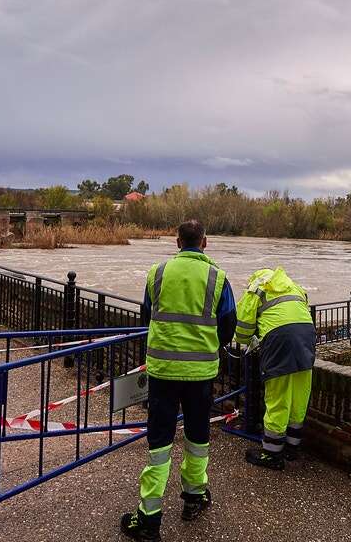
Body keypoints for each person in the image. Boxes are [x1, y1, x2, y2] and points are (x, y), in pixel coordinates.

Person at [121, 220, 238, 541]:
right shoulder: (218, 278)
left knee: (159, 442)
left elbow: (148, 317)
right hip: (200, 374)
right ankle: (195, 496)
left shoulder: (157, 274)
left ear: (176, 242)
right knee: (198, 437)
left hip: (162, 372)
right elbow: (228, 327)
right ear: (205, 242)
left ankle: (148, 518)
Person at [235, 266, 316, 469]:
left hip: (279, 340)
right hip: (306, 336)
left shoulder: (257, 289)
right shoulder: (294, 287)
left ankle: (272, 454)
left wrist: (250, 339)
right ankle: (292, 447)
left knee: (277, 396)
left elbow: (243, 330)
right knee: (299, 393)